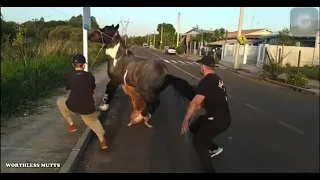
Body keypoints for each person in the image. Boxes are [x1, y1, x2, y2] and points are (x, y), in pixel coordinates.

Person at [181, 55, 232, 173]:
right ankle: (214, 148)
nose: (200, 67)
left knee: (198, 141)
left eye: (200, 65)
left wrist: (185, 119)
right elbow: (208, 100)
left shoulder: (207, 81)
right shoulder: (216, 79)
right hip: (219, 116)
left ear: (203, 66)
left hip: (219, 119)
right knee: (194, 127)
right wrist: (198, 107)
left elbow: (194, 102)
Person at [56, 54, 107, 150]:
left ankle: (71, 125)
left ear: (73, 65)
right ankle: (102, 141)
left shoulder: (68, 74)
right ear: (84, 65)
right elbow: (93, 89)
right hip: (87, 108)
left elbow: (68, 87)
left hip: (72, 105)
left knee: (60, 101)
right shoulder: (90, 76)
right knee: (93, 122)